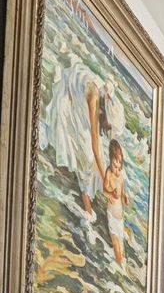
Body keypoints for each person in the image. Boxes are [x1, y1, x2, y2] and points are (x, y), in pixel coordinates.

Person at [40, 54, 125, 218]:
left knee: (91, 154)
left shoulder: (103, 100)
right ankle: (87, 208)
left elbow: (101, 142)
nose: (107, 127)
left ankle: (89, 201)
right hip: (72, 93)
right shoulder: (94, 97)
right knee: (86, 154)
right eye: (108, 124)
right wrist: (105, 178)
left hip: (80, 93)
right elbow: (94, 146)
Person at [102, 139, 128, 266]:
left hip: (120, 217)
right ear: (110, 161)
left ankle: (120, 263)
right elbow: (104, 191)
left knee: (121, 244)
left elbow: (122, 189)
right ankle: (120, 268)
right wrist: (111, 194)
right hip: (112, 215)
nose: (116, 170)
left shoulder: (120, 176)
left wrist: (124, 196)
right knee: (116, 245)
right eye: (114, 166)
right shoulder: (108, 173)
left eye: (119, 167)